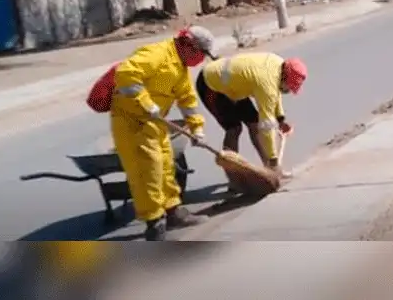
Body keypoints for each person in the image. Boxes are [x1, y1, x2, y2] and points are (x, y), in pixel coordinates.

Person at [111, 26, 218, 241]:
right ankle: (154, 223)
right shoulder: (157, 54)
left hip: (155, 122)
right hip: (132, 121)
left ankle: (173, 211)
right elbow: (125, 74)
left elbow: (187, 99)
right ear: (189, 46)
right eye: (201, 54)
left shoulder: (180, 66)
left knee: (167, 166)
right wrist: (146, 103)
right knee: (147, 172)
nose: (200, 60)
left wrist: (196, 128)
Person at [196, 52, 307, 187]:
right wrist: (273, 158)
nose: (289, 91)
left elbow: (276, 92)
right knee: (234, 129)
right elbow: (266, 126)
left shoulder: (279, 64)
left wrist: (281, 118)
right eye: (289, 86)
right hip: (211, 85)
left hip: (233, 86)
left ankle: (269, 171)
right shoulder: (266, 84)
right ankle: (234, 179)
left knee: (253, 124)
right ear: (284, 76)